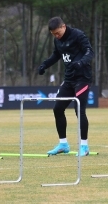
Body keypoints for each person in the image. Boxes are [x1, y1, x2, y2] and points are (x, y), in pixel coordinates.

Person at [37, 17, 94, 156]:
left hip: (82, 78)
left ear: (64, 26)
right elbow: (56, 55)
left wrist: (81, 63)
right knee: (58, 109)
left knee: (79, 109)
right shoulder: (57, 40)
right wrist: (45, 64)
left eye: (58, 33)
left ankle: (84, 146)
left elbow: (89, 52)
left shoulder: (78, 35)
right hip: (69, 79)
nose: (56, 36)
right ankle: (63, 144)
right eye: (53, 34)